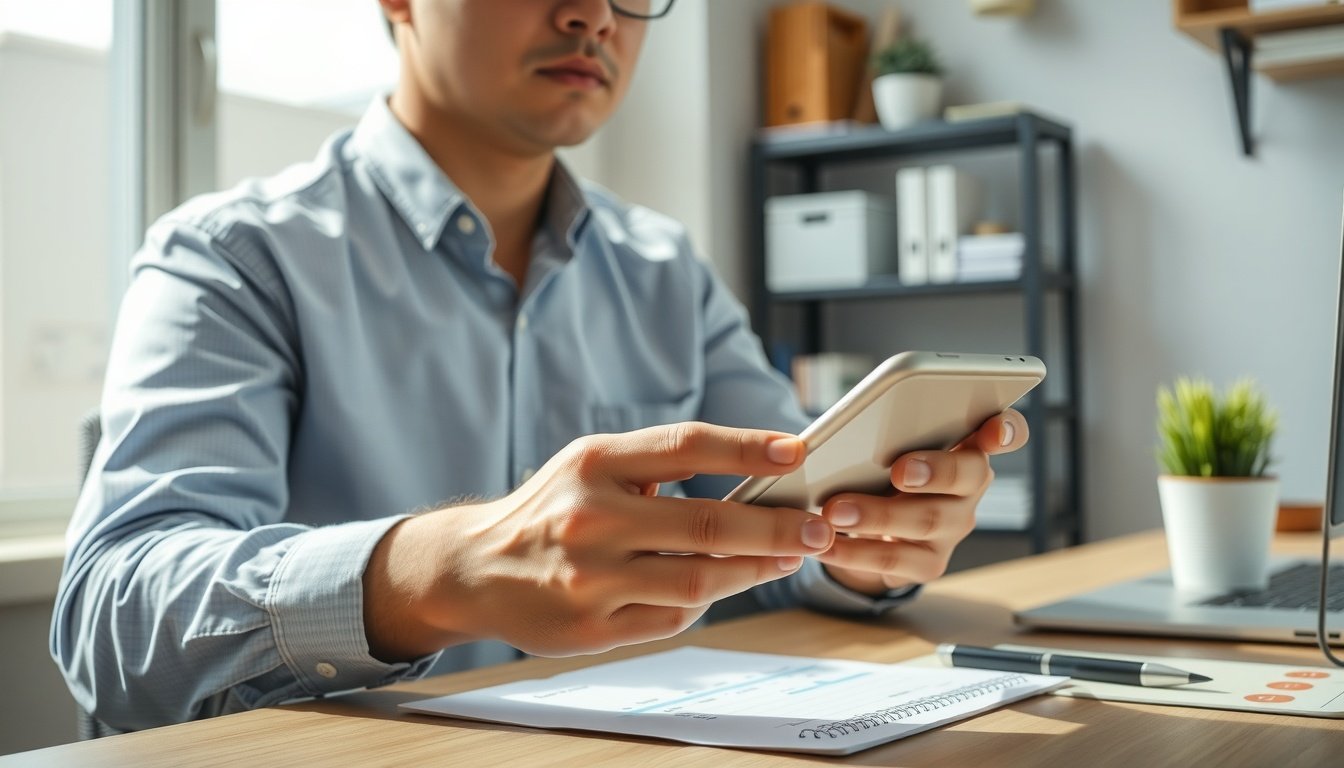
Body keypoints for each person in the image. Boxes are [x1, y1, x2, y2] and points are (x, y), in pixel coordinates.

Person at [51, 0, 1028, 732]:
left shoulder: (666, 274)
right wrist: (434, 572)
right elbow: (110, 621)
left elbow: (764, 548)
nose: (594, 15)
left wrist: (858, 548)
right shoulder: (234, 256)